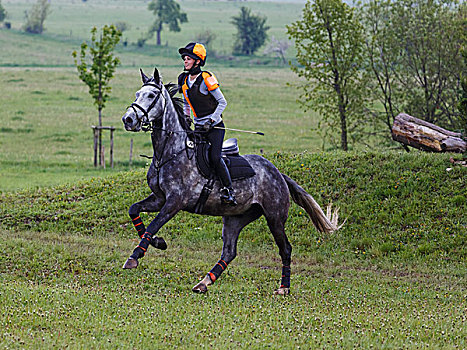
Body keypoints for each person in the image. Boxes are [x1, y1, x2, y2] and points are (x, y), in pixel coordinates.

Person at [177, 42, 237, 206]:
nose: (185, 62)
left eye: (188, 59)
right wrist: (186, 119)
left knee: (215, 157)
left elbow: (222, 102)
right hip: (198, 128)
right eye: (184, 59)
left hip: (214, 128)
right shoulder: (183, 80)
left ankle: (228, 190)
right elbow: (187, 104)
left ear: (197, 61)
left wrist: (211, 121)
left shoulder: (206, 78)